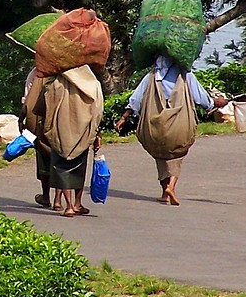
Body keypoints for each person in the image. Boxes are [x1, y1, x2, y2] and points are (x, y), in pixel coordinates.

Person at [115, 54, 228, 206]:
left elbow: (136, 99)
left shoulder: (152, 76)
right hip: (178, 123)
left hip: (154, 124)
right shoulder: (185, 75)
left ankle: (164, 193)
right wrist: (214, 103)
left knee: (160, 154)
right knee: (178, 153)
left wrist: (123, 117)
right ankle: (171, 187)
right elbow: (201, 98)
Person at [42, 64, 104, 217]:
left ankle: (68, 206)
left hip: (61, 131)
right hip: (83, 133)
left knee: (62, 167)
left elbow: (47, 107)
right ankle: (77, 203)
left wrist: (49, 128)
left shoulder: (57, 83)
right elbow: (98, 111)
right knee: (79, 168)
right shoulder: (93, 85)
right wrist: (96, 133)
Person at [20, 66, 52, 208]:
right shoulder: (70, 74)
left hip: (40, 123)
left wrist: (21, 120)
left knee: (44, 157)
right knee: (62, 159)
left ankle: (46, 196)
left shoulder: (36, 74)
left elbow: (28, 101)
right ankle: (60, 200)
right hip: (63, 124)